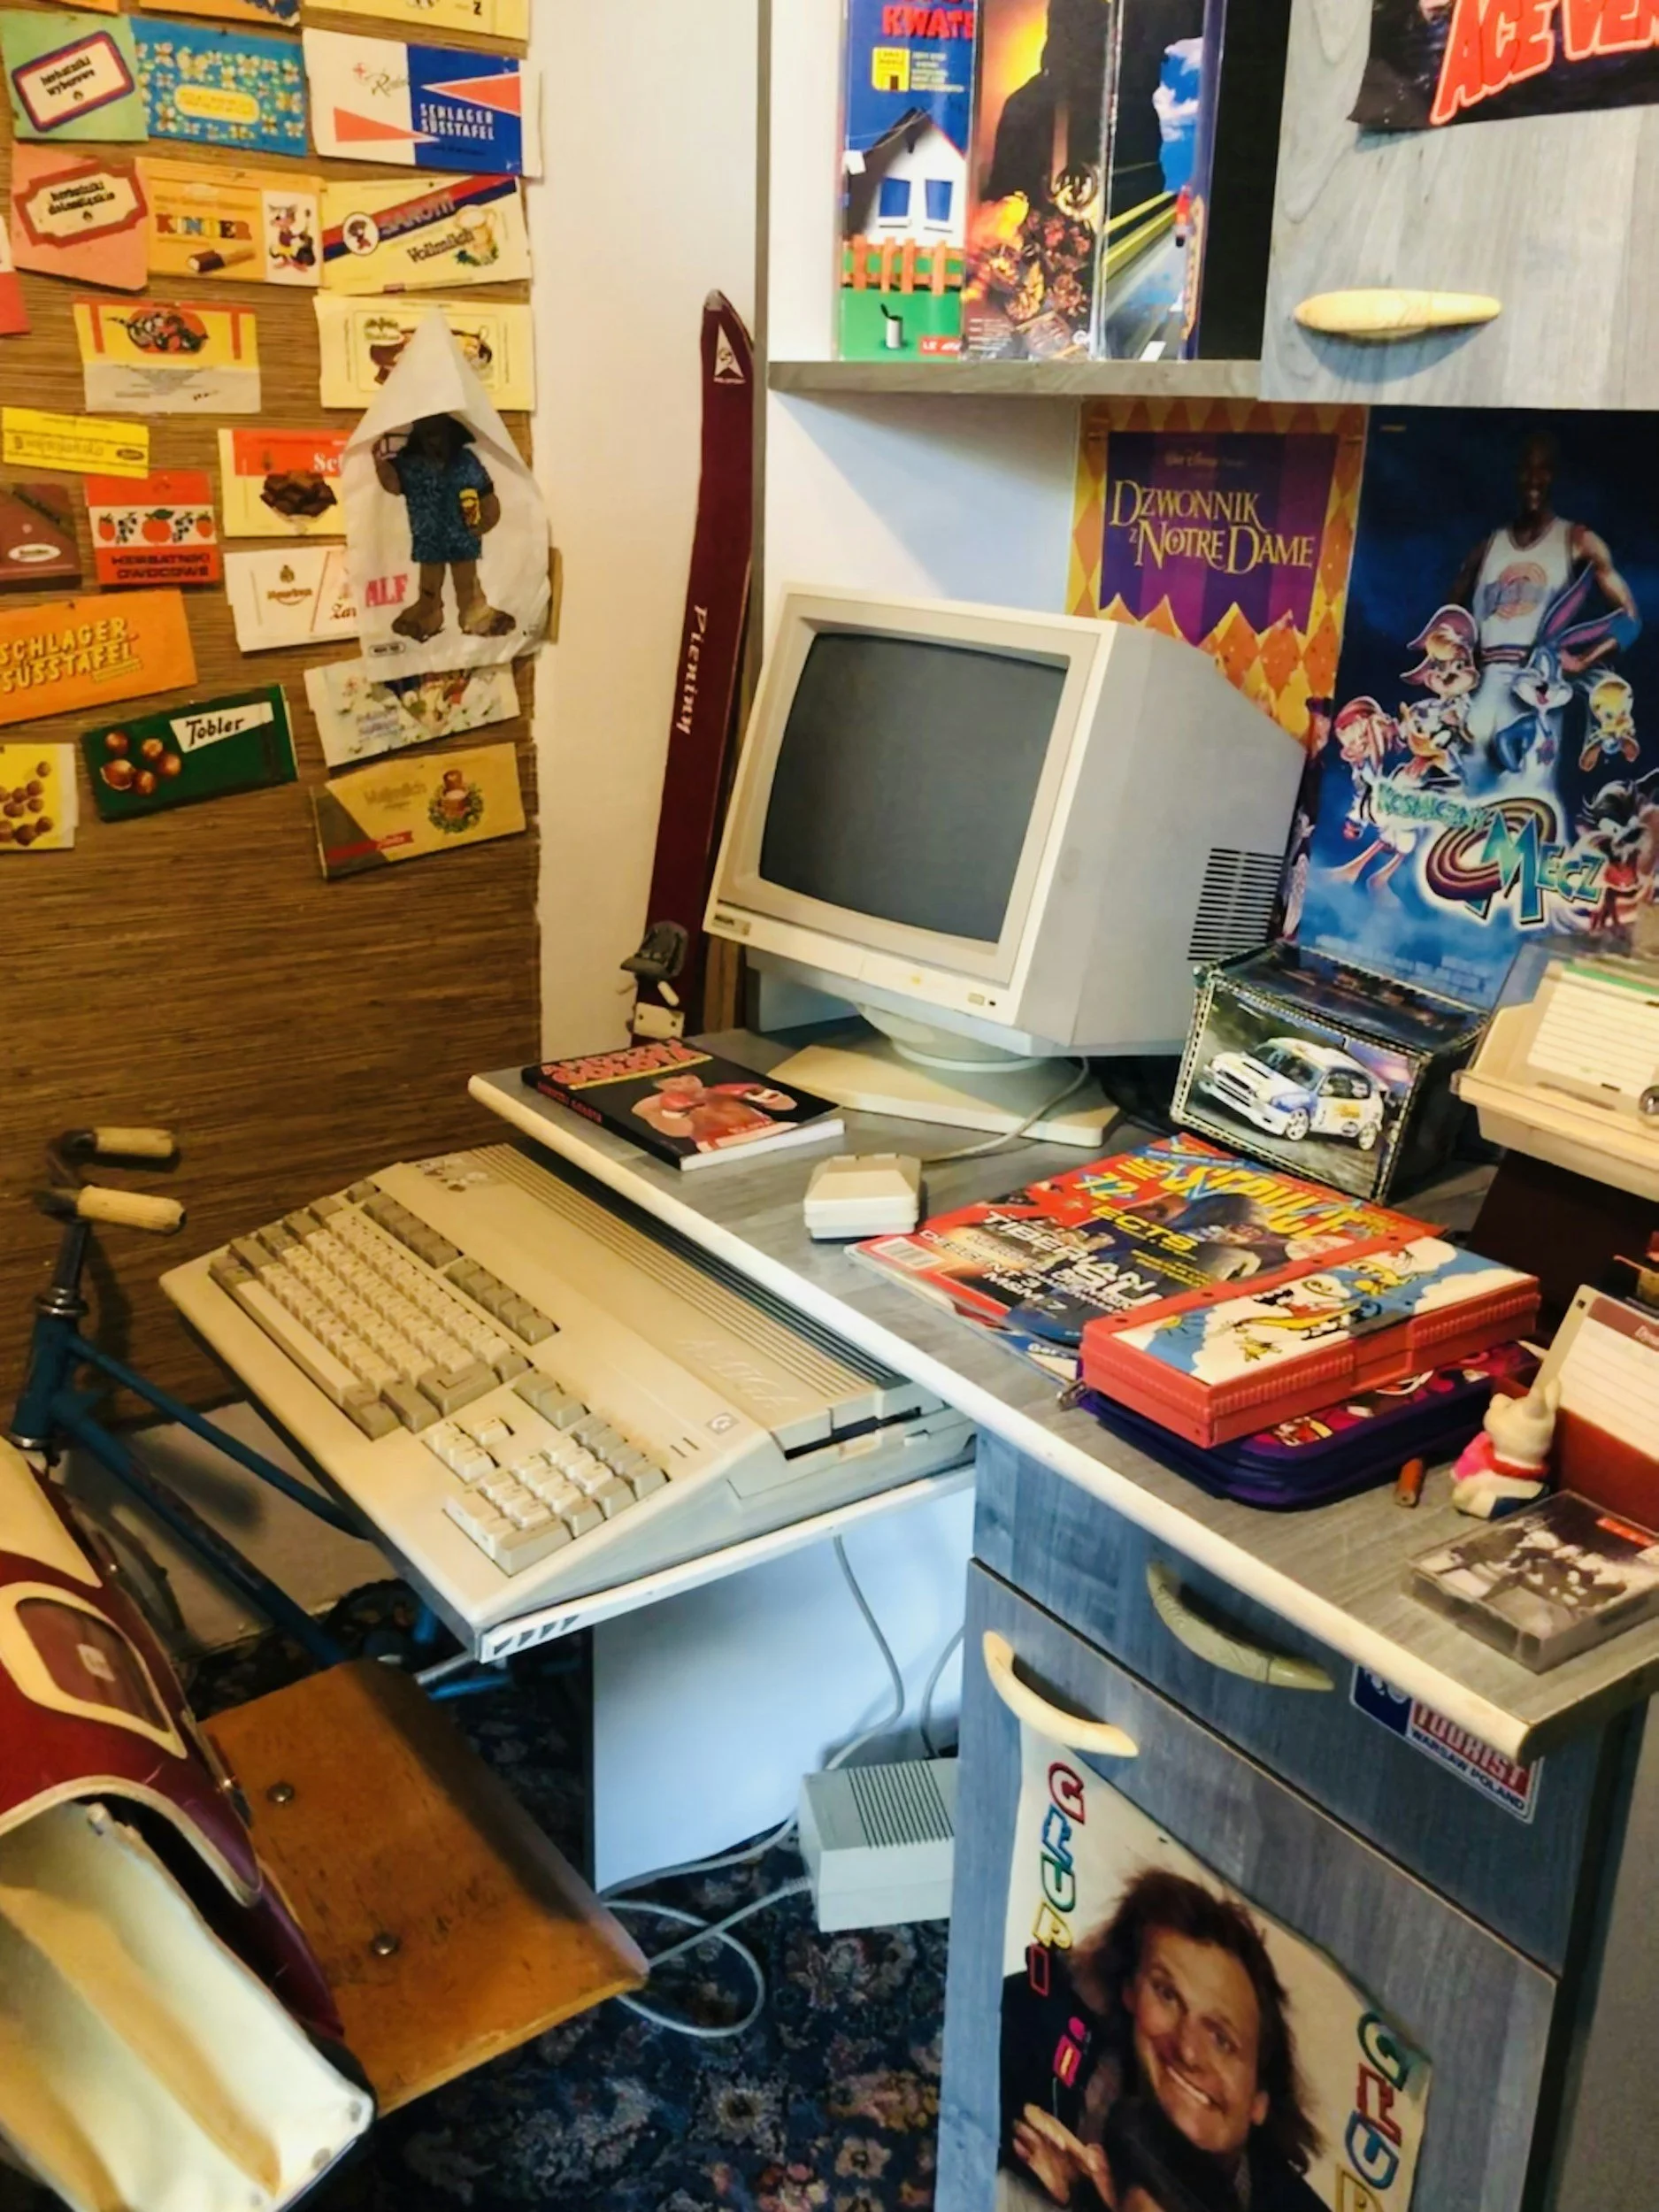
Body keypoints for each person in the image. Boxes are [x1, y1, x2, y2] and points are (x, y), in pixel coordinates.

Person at [1002, 1870, 1324, 2211]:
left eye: (1222, 2040)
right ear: (1129, 1991)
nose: (1188, 2049)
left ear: (1261, 2098)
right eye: (1167, 1995)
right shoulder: (1027, 2036)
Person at [1448, 431, 1637, 769]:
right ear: (1516, 474)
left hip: (1536, 692)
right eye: (1526, 469)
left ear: (1554, 475)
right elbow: (1448, 621)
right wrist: (1458, 666)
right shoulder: (1488, 546)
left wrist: (1584, 660)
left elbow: (1630, 618)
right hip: (1482, 690)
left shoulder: (1577, 539)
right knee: (1470, 799)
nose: (1534, 479)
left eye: (1543, 469)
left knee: (1528, 804)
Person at [373, 412, 516, 646]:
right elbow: (395, 484)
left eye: (439, 435)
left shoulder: (466, 461)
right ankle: (428, 613)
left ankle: (474, 613)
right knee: (429, 582)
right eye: (428, 436)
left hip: (462, 534)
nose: (435, 442)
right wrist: (380, 465)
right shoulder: (411, 464)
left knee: (466, 582)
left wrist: (488, 516)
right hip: (429, 536)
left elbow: (484, 491)